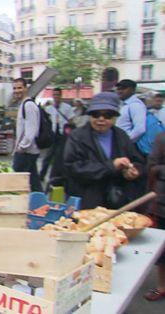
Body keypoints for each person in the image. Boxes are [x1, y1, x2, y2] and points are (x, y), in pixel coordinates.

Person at [63, 92, 144, 209]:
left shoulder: (121, 136)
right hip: (87, 200)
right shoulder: (77, 136)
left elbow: (137, 160)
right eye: (96, 115)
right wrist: (111, 166)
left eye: (107, 115)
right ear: (90, 116)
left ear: (115, 117)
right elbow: (73, 167)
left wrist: (134, 171)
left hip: (116, 201)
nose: (101, 119)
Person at [12, 78, 43, 192]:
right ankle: (41, 204)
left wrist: (21, 147)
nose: (17, 91)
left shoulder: (28, 105)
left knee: (17, 183)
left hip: (26, 152)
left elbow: (31, 132)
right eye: (14, 88)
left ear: (26, 88)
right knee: (34, 183)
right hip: (28, 152)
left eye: (19, 87)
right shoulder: (24, 104)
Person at [145, 131, 165, 301]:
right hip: (162, 201)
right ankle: (162, 286)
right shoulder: (162, 138)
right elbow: (151, 168)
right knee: (163, 250)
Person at [40, 87, 75, 180]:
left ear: (61, 95)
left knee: (60, 156)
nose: (56, 97)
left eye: (58, 95)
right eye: (54, 95)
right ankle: (42, 175)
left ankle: (57, 176)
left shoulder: (67, 107)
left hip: (63, 135)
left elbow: (71, 121)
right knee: (48, 156)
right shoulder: (49, 108)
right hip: (52, 134)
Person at [116, 79, 147, 149]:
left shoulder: (136, 105)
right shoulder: (123, 104)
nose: (119, 91)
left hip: (128, 146)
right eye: (118, 89)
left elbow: (140, 129)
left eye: (123, 88)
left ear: (133, 90)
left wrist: (125, 141)